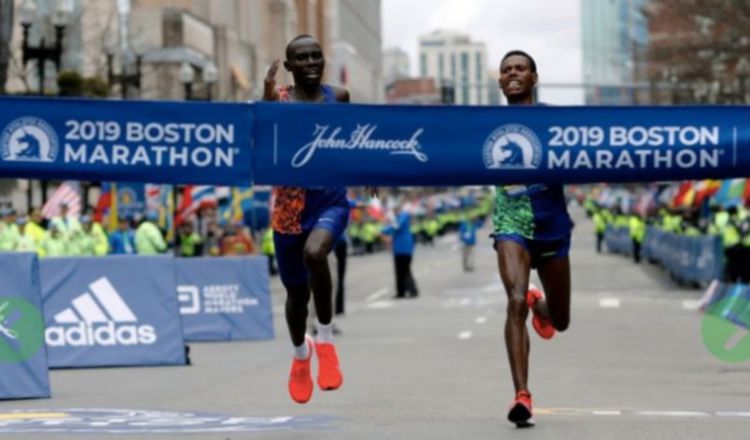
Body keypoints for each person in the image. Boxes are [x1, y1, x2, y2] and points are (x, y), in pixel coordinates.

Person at [263, 34, 353, 404]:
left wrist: (374, 167)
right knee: (296, 296)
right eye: (303, 58)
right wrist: (267, 92)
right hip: (288, 212)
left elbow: (357, 136)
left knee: (317, 255)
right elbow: (264, 121)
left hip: (330, 201)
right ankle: (301, 355)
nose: (312, 62)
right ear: (289, 67)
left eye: (317, 56)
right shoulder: (280, 100)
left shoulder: (340, 97)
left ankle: (327, 341)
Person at [493, 50, 574, 428]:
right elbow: (432, 145)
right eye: (507, 69)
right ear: (499, 81)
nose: (513, 73)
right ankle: (521, 395)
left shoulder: (552, 119)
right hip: (511, 221)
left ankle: (538, 303)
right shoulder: (485, 123)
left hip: (552, 223)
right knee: (513, 303)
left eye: (520, 69)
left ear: (534, 78)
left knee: (561, 320)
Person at [382, 202, 419, 299]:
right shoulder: (400, 217)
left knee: (404, 270)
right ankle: (401, 292)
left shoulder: (403, 217)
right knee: (400, 271)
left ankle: (412, 291)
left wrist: (383, 230)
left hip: (403, 249)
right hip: (400, 249)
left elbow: (395, 227)